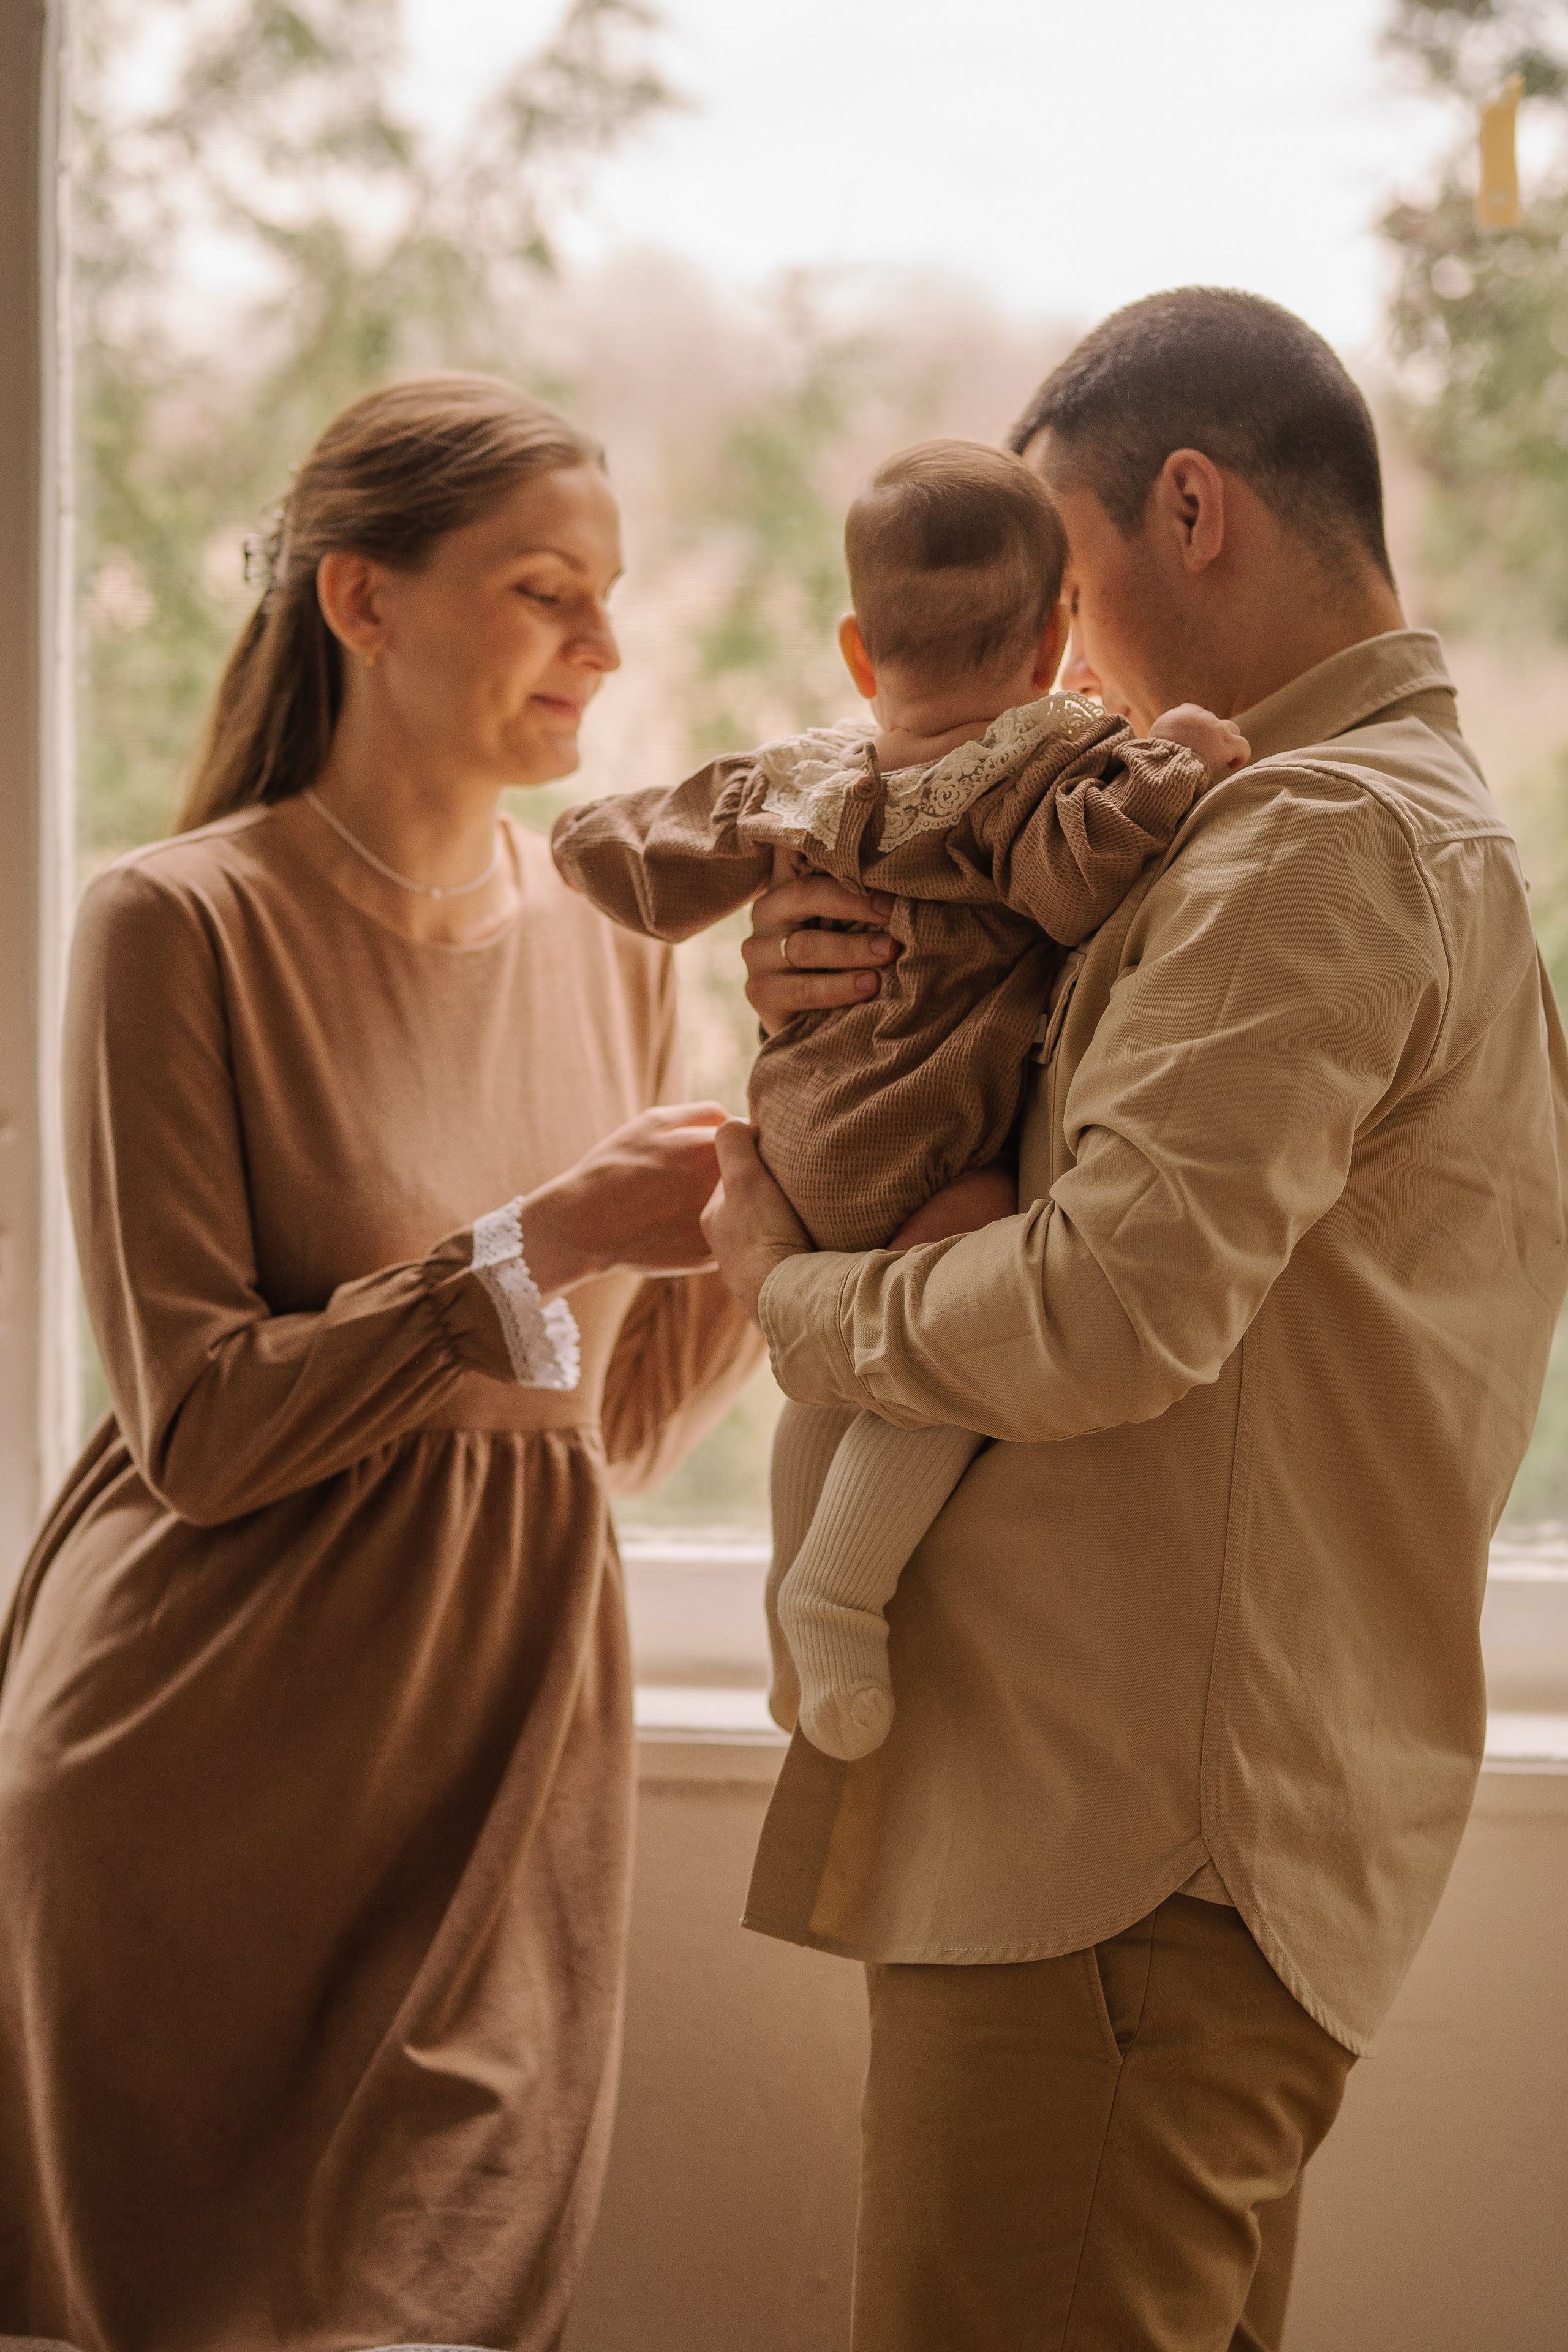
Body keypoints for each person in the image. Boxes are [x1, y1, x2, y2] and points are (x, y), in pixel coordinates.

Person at [702, 289, 1568, 2351]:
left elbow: (1103, 1307)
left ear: (1194, 509)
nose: (1060, 671)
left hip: (1118, 1874)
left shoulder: (1317, 839)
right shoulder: (1348, 835)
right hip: (1154, 1873)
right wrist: (852, 984)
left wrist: (785, 1291)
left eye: (1068, 592)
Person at [0, 375, 763, 2352]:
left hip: (498, 1790)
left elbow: (604, 1423)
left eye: (607, 595)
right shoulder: (175, 925)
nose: (606, 646)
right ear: (364, 602)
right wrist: (546, 1234)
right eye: (545, 593)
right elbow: (197, 1427)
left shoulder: (617, 939)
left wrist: (812, 1186)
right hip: (188, 1790)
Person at [554, 437, 1246, 1762]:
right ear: (1056, 644)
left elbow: (658, 848)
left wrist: (586, 840)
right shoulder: (1034, 769)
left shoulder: (808, 776)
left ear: (860, 653)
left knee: (820, 1380)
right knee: (937, 1348)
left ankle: (787, 1623)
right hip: (922, 1151)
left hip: (802, 1136)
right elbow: (1071, 877)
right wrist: (1177, 757)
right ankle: (835, 1587)